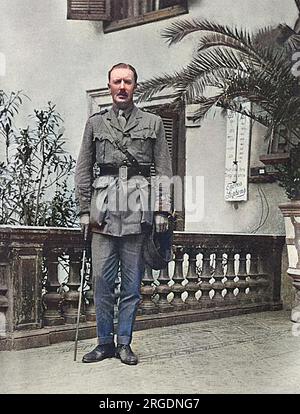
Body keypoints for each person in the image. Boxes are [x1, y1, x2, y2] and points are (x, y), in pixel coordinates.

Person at [75, 63, 172, 365]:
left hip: (138, 212)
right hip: (101, 211)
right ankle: (104, 342)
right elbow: (83, 169)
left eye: (127, 82)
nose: (121, 87)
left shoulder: (153, 122)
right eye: (116, 81)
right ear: (108, 86)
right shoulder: (95, 123)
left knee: (131, 284)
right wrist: (81, 209)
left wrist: (162, 210)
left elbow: (165, 171)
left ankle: (124, 343)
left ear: (135, 87)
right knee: (101, 282)